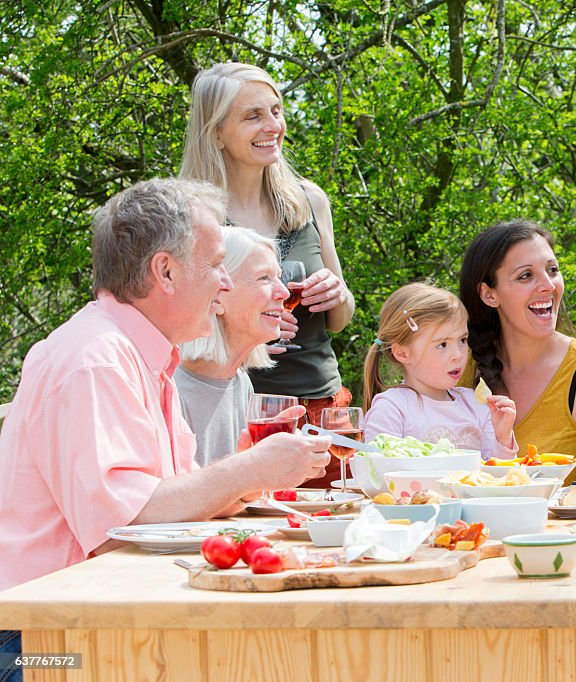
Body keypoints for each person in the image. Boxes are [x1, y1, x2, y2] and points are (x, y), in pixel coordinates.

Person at [0, 180, 331, 666]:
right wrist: (252, 471)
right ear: (166, 271)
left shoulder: (141, 354)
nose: (224, 283)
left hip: (90, 618)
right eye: (217, 264)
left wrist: (249, 474)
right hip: (39, 648)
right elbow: (125, 525)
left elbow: (173, 500)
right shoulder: (96, 360)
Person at [179, 62, 354, 435]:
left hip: (323, 406)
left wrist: (337, 294)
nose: (273, 126)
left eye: (275, 111)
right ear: (217, 133)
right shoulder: (192, 218)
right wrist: (249, 333)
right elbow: (178, 333)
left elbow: (339, 322)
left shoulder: (309, 200)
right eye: (253, 116)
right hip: (237, 411)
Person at [458, 220, 576, 482]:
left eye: (552, 270)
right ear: (489, 294)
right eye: (526, 275)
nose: (548, 285)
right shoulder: (456, 366)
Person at [363, 282, 518, 459]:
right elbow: (377, 472)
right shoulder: (392, 408)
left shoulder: (476, 405)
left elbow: (497, 476)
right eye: (442, 345)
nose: (458, 355)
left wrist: (503, 438)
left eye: (462, 340)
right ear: (402, 353)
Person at [176, 227, 289, 466]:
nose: (284, 292)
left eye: (279, 276)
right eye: (264, 278)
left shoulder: (240, 384)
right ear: (218, 295)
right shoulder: (172, 389)